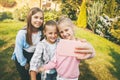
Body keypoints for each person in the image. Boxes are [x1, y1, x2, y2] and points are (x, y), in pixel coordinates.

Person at [11, 7, 44, 80]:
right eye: (36, 17)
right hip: (22, 56)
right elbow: (18, 51)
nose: (39, 20)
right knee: (25, 77)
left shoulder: (42, 32)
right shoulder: (22, 33)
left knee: (37, 76)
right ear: (30, 18)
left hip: (34, 55)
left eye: (41, 18)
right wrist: (24, 63)